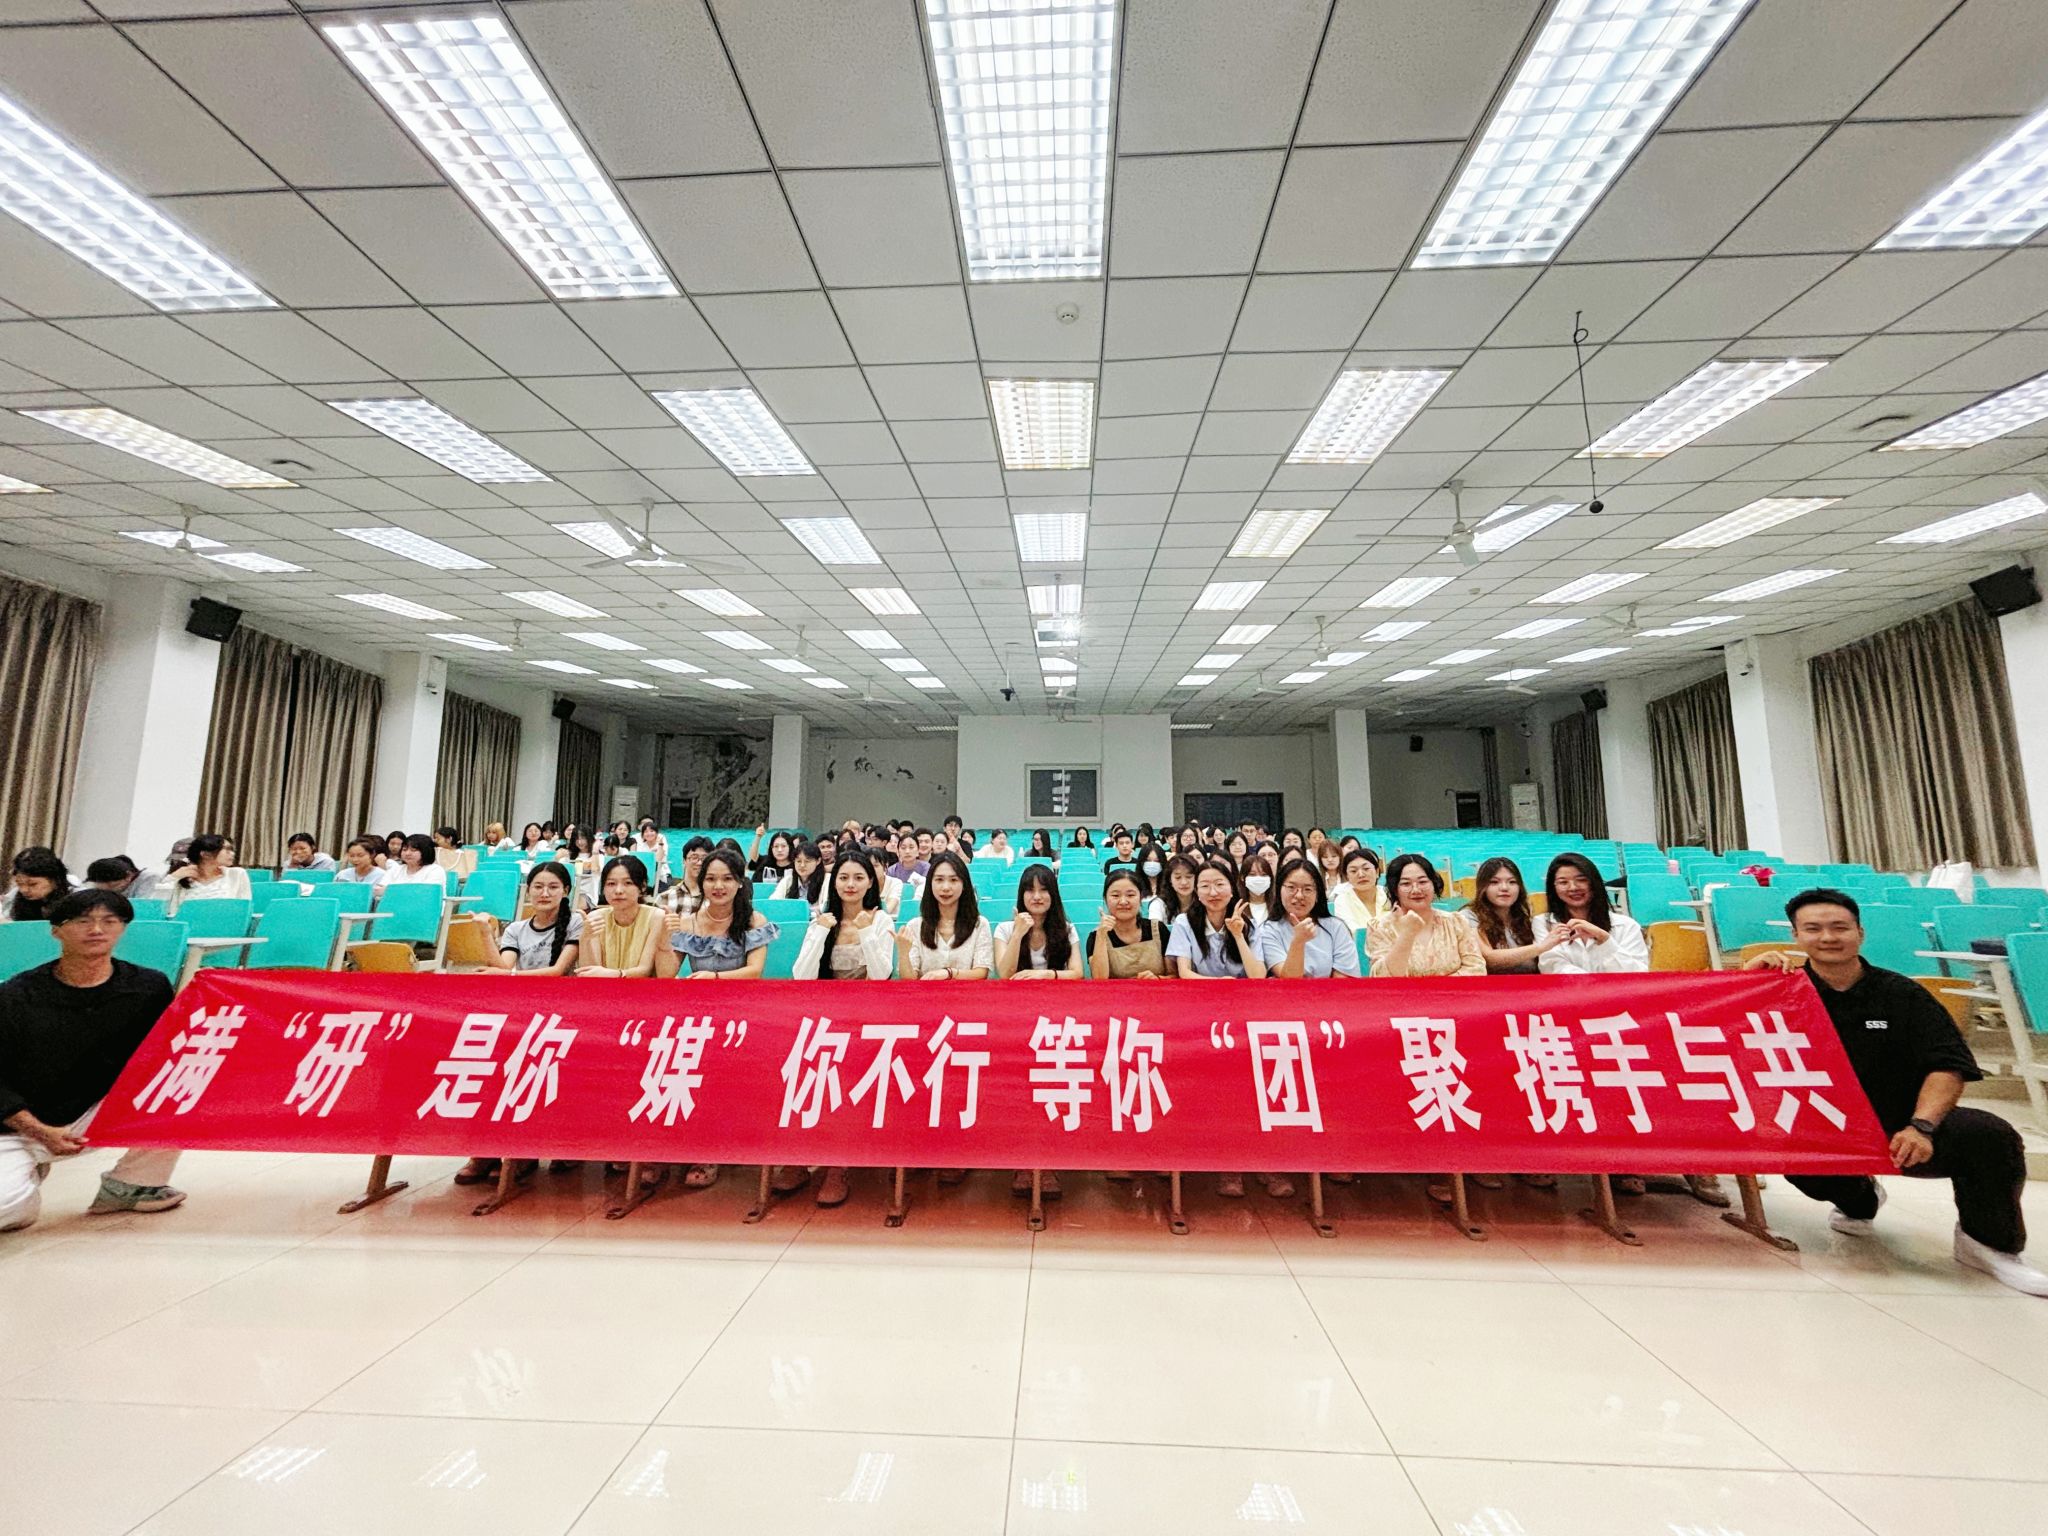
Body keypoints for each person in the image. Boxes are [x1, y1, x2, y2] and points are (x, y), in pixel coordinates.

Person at [1745, 890, 2047, 1295]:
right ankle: (1861, 1200)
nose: (1828, 937)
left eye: (1839, 927)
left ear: (1860, 933)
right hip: (1822, 1124)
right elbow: (1710, 1029)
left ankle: (1987, 1245)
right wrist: (1745, 980)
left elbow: (1948, 1064)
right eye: (1813, 929)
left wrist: (1922, 1126)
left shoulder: (1902, 994)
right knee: (1801, 1161)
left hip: (1903, 1122)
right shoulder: (1780, 992)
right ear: (1796, 936)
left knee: (1990, 1135)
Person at [0, 888, 184, 1226]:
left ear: (122, 928)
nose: (97, 930)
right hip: (17, 1124)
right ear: (56, 931)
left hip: (94, 1111)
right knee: (11, 1210)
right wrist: (38, 1130)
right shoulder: (15, 996)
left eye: (109, 921)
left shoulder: (148, 987)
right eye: (83, 921)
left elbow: (167, 1052)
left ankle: (132, 1184)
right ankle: (24, 1176)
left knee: (179, 1086)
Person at [789, 849, 893, 1209]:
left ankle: (838, 1165)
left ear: (870, 883)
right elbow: (801, 976)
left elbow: (881, 975)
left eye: (858, 878)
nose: (851, 884)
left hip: (868, 1021)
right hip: (826, 1019)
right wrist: (820, 932)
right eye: (844, 878)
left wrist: (865, 932)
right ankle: (798, 1157)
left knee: (845, 1074)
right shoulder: (822, 921)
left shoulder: (880, 920)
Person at [664, 849, 776, 983]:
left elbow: (754, 971)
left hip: (742, 993)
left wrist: (715, 977)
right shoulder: (688, 923)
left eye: (727, 879)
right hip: (700, 993)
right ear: (702, 883)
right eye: (710, 879)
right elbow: (667, 973)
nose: (718, 886)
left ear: (740, 882)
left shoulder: (755, 921)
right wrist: (665, 936)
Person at [1366, 855, 1484, 977]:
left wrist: (1437, 987)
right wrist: (1407, 934)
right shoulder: (1380, 927)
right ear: (1395, 890)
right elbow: (1382, 978)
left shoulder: (1456, 922)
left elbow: (1476, 968)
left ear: (1434, 884)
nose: (1416, 890)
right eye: (1406, 884)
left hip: (1454, 990)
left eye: (1422, 882)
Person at [1533, 853, 1648, 973]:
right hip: (1571, 986)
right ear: (1553, 888)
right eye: (1563, 882)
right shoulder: (1543, 923)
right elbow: (1552, 966)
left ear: (1594, 883)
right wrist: (1591, 982)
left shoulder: (1626, 925)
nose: (1573, 888)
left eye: (1581, 880)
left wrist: (1605, 940)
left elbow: (1637, 973)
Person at [1255, 856, 1362, 981]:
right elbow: (1290, 980)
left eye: (1307, 889)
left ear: (1317, 894)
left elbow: (1343, 979)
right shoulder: (1268, 930)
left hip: (1330, 992)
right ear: (1279, 890)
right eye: (1291, 888)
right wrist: (1298, 941)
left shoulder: (1336, 927)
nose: (1299, 895)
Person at [899, 851, 993, 980]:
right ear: (930, 884)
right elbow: (909, 979)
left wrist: (949, 973)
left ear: (964, 884)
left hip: (967, 992)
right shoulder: (915, 926)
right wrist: (903, 953)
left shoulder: (980, 924)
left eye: (953, 880)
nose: (946, 887)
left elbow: (981, 973)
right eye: (939, 880)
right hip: (926, 992)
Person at [1468, 856, 1566, 974]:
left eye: (1512, 882)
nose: (1504, 888)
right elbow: (1488, 958)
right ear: (1483, 887)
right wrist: (1541, 947)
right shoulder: (1469, 916)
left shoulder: (1525, 919)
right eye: (1494, 882)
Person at [576, 855, 664, 977]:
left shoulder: (656, 917)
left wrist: (617, 974)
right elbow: (589, 971)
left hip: (644, 987)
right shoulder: (595, 917)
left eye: (627, 883)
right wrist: (585, 939)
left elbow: (645, 970)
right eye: (611, 883)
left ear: (643, 886)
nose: (618, 890)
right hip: (604, 987)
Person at [995, 863, 1083, 980]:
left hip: (1055, 989)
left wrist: (1046, 974)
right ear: (1022, 895)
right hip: (1017, 990)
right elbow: (1005, 975)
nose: (1037, 897)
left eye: (1043, 890)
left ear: (1053, 894)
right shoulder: (1003, 929)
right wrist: (1017, 934)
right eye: (1030, 890)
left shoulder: (1067, 929)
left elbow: (1077, 973)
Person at [1089, 869, 1168, 980]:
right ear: (1105, 899)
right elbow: (1099, 979)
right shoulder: (1096, 936)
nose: (1123, 901)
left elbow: (1174, 975)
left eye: (1130, 895)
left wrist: (1158, 979)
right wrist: (1101, 935)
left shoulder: (1158, 929)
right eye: (1115, 895)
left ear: (1140, 897)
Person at [161, 833, 251, 913]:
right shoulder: (183, 877)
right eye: (227, 849)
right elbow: (161, 909)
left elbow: (245, 909)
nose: (232, 854)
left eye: (232, 850)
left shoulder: (237, 874)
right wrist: (173, 878)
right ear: (205, 854)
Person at [2, 848, 72, 923]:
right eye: (19, 884)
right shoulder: (14, 896)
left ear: (55, 880)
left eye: (32, 884)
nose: (23, 890)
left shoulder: (74, 898)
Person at [1331, 849, 1388, 931]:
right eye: (1353, 871)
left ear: (1377, 872)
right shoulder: (1342, 901)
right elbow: (1351, 932)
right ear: (1347, 877)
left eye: (1366, 868)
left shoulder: (1389, 894)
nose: (1361, 875)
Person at [386, 832, 450, 893]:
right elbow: (380, 889)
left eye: (413, 850)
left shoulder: (435, 870)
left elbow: (426, 893)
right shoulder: (396, 869)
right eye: (404, 850)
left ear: (426, 851)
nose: (407, 853)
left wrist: (391, 890)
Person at [775, 839, 829, 910]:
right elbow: (774, 903)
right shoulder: (788, 880)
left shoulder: (827, 880)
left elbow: (826, 906)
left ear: (818, 861)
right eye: (798, 861)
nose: (802, 865)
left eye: (807, 861)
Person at [1155, 852, 1199, 925]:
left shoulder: (1204, 902)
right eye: (1178, 877)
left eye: (1189, 877)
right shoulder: (1159, 904)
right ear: (1170, 879)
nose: (1184, 882)